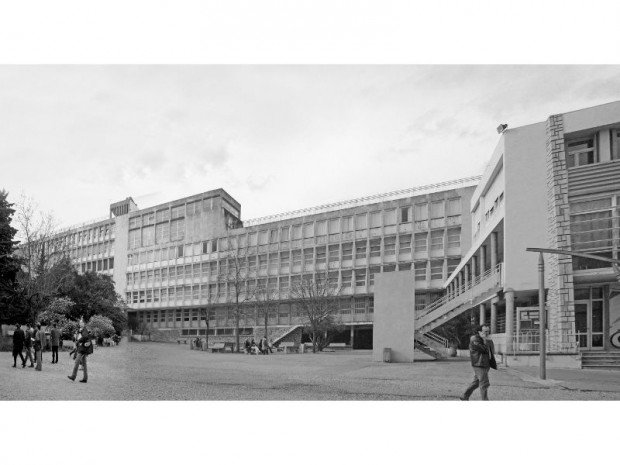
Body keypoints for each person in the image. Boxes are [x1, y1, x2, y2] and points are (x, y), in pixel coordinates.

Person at [460, 324, 496, 401]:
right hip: (479, 364)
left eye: (488, 331)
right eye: (485, 331)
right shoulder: (474, 339)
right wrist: (485, 339)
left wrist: (487, 340)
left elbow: (491, 350)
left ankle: (464, 396)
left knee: (476, 382)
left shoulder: (486, 339)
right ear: (479, 332)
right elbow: (484, 349)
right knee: (484, 383)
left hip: (485, 364)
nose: (487, 333)